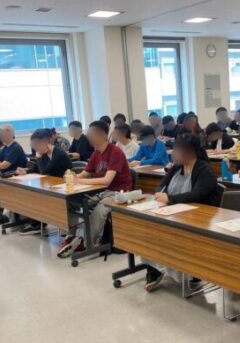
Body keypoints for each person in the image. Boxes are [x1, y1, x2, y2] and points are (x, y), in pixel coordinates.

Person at [143, 133, 219, 291]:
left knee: (166, 232)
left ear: (188, 152)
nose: (173, 153)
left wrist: (169, 198)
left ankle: (188, 271)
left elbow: (197, 194)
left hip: (199, 217)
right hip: (176, 211)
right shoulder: (177, 167)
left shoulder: (205, 170)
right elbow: (162, 185)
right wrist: (160, 194)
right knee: (149, 229)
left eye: (176, 150)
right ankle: (155, 269)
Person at [56, 121, 133, 257]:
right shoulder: (96, 153)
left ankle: (87, 244)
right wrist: (73, 176)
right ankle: (71, 236)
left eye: (91, 134)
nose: (88, 137)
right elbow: (85, 173)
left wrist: (79, 181)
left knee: (100, 210)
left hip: (118, 193)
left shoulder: (115, 152)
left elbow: (107, 180)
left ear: (103, 135)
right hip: (102, 192)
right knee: (69, 202)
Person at [15, 129, 73, 235]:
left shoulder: (58, 153)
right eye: (34, 144)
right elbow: (37, 169)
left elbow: (43, 171)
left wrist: (39, 157)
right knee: (31, 193)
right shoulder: (45, 153)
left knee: (37, 195)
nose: (35, 147)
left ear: (47, 141)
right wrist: (25, 171)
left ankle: (38, 224)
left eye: (37, 144)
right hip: (53, 185)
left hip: (65, 187)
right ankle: (36, 223)